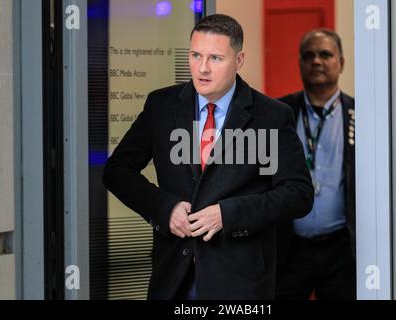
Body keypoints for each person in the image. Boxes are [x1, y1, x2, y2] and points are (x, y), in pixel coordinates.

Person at [103, 14, 314, 300]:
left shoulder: (272, 116)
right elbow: (117, 171)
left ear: (239, 61)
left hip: (239, 282)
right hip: (173, 276)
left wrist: (228, 215)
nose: (202, 68)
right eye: (195, 55)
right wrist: (165, 209)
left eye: (215, 58)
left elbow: (298, 194)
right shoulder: (161, 105)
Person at [276, 29, 356, 300]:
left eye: (325, 54)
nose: (316, 62)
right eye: (308, 56)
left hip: (342, 250)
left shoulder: (361, 116)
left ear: (341, 63)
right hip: (288, 247)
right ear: (299, 63)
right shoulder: (279, 114)